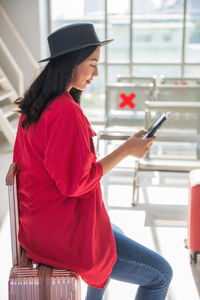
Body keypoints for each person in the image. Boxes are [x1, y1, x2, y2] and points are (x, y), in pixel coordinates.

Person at [13, 23, 172, 300]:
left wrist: (126, 148)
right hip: (61, 236)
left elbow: (65, 171)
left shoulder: (37, 103)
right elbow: (76, 184)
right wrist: (125, 151)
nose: (96, 73)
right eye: (92, 63)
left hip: (40, 227)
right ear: (71, 63)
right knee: (161, 274)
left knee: (115, 230)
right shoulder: (65, 113)